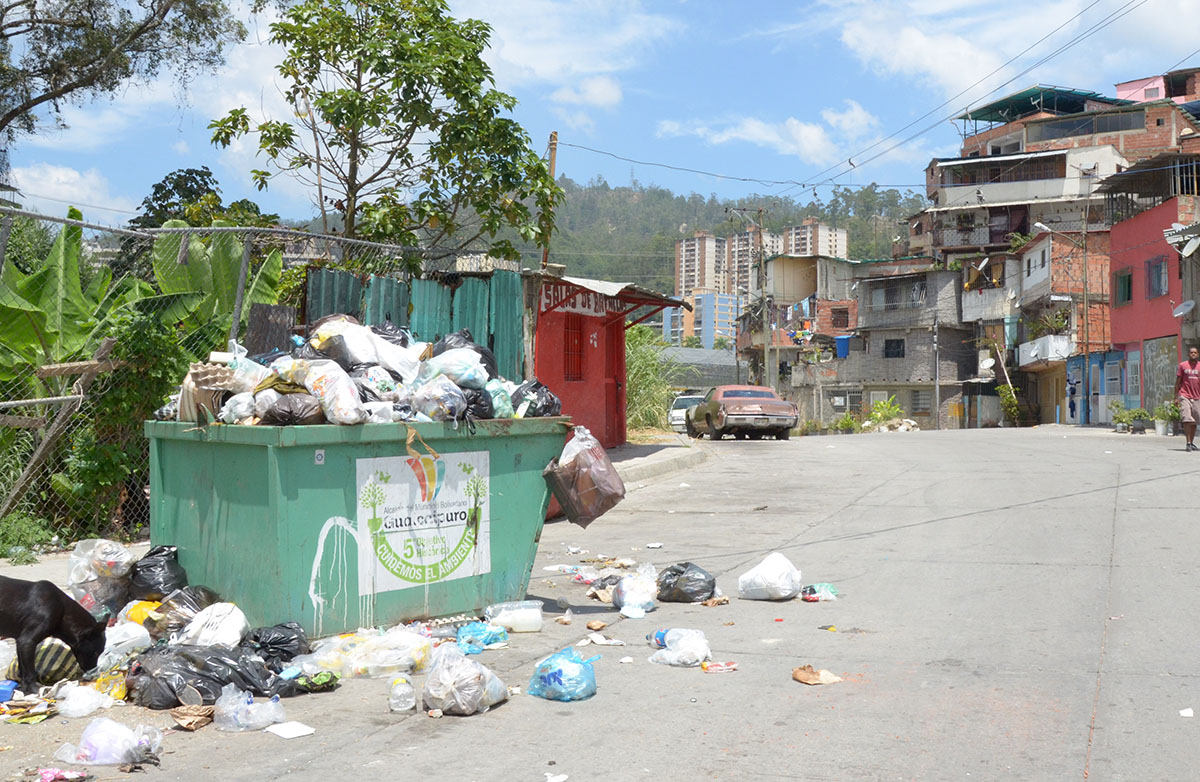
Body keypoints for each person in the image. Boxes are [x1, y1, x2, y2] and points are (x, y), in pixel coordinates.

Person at [1175, 345, 1200, 451]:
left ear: (1198, 354)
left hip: (1197, 397)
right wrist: (1176, 397)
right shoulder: (1183, 365)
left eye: (1195, 353)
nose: (1193, 354)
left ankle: (1192, 443)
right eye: (1191, 353)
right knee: (1186, 418)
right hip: (1184, 395)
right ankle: (1188, 443)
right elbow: (1177, 382)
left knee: (1194, 421)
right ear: (1188, 354)